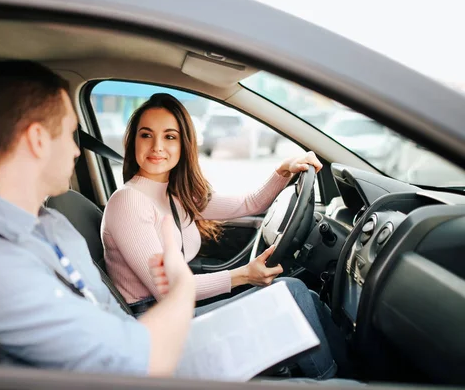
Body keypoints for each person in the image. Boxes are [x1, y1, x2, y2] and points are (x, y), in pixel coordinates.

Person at [0, 60, 197, 377]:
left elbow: (115, 321)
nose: (77, 151)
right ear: (38, 140)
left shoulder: (53, 225)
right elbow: (134, 365)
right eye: (70, 134)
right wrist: (182, 285)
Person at [101, 93, 342, 379]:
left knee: (309, 298)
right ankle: (333, 383)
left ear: (184, 144)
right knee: (292, 293)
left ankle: (358, 375)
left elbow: (250, 204)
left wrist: (283, 170)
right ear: (133, 141)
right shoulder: (129, 201)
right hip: (154, 329)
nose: (157, 147)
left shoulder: (175, 194)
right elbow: (167, 291)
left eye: (169, 137)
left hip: (176, 312)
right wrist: (243, 275)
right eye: (146, 135)